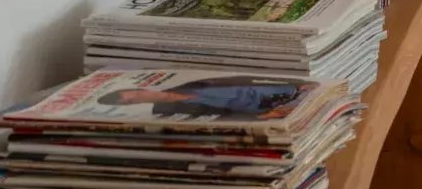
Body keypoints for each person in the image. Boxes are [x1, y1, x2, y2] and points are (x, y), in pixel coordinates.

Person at [98, 76, 304, 120]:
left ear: (137, 88)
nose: (137, 100)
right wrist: (264, 117)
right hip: (269, 109)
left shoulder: (185, 81)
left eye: (133, 96)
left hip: (282, 87)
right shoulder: (166, 111)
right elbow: (221, 119)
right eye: (131, 102)